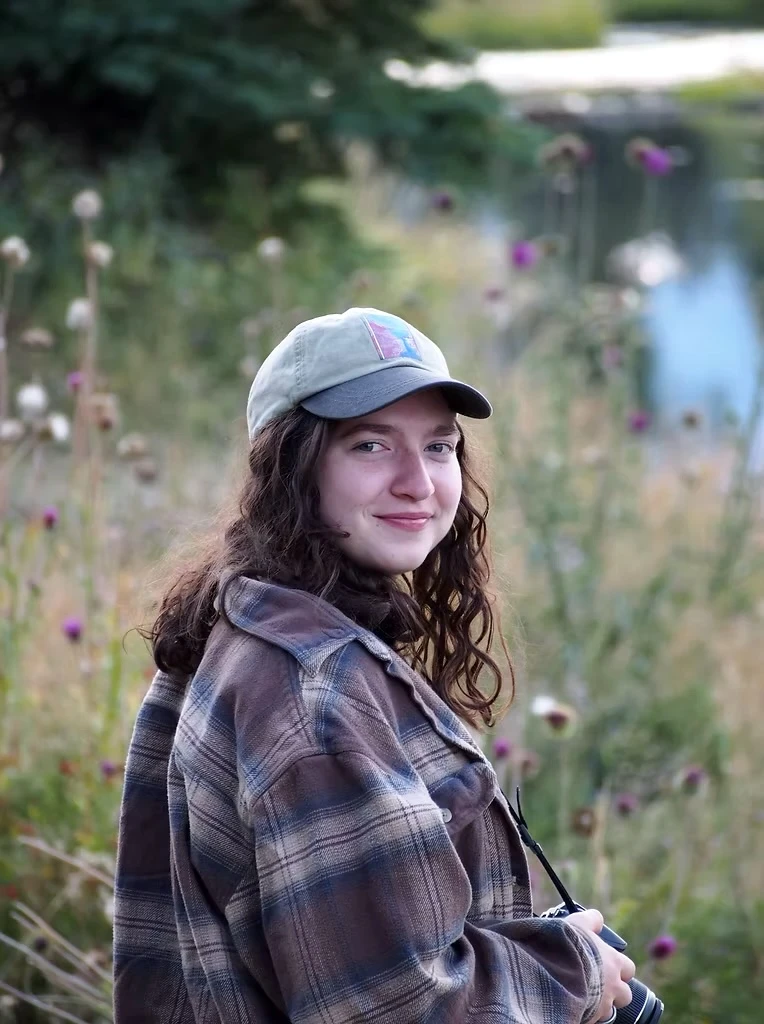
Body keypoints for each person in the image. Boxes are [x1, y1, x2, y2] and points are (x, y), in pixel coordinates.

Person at [113, 307, 635, 1023]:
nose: (418, 482)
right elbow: (397, 1006)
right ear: (290, 466)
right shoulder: (314, 692)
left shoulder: (244, 621)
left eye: (439, 447)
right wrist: (574, 971)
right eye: (369, 445)